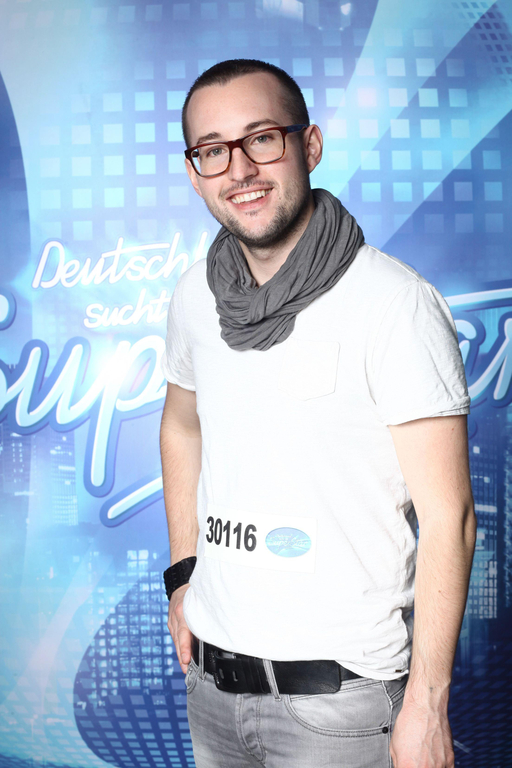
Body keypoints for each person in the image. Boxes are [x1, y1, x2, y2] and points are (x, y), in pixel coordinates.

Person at [159, 59, 476, 768]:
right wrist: (183, 574)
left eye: (261, 138)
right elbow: (181, 424)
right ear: (194, 173)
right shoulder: (193, 296)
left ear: (310, 145)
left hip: (341, 705)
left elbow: (449, 516)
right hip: (209, 686)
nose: (239, 169)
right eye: (213, 150)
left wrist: (427, 705)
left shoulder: (394, 304)